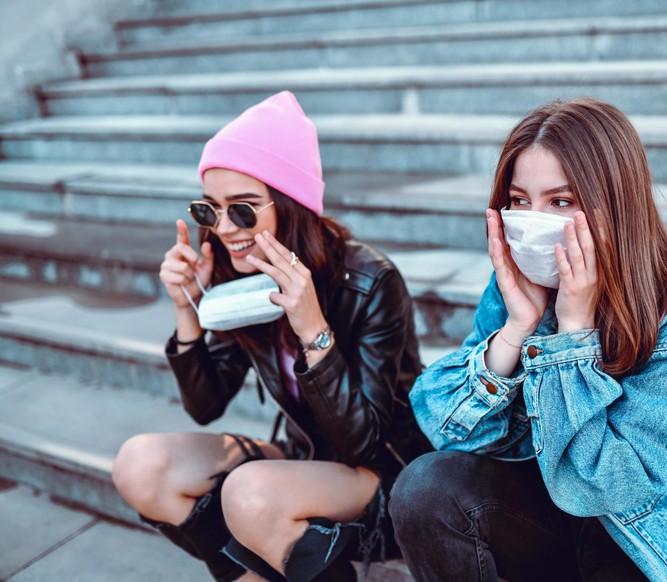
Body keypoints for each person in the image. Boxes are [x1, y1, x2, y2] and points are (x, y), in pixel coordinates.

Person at [388, 98, 667, 581]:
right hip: (546, 515)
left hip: (648, 538)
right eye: (520, 201)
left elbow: (605, 487)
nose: (533, 220)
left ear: (615, 205)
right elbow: (445, 426)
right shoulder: (523, 287)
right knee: (425, 486)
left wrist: (573, 333)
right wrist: (518, 326)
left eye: (561, 202)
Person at [111, 91, 430, 582]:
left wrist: (311, 328)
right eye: (209, 210)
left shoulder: (370, 281)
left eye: (242, 210)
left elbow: (363, 444)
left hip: (384, 476)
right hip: (304, 461)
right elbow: (206, 404)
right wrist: (188, 311)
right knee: (141, 465)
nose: (223, 228)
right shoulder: (241, 275)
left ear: (289, 204)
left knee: (250, 492)